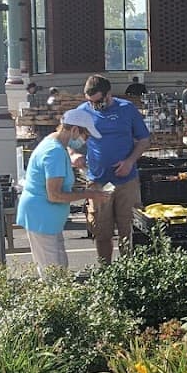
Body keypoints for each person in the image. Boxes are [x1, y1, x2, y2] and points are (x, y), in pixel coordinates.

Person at [16, 109, 107, 278]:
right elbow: (55, 195)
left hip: (46, 218)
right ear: (74, 130)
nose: (85, 141)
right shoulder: (55, 152)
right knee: (53, 274)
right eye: (85, 135)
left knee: (59, 267)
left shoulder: (54, 142)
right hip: (42, 217)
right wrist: (90, 194)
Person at [77, 74, 151, 264]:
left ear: (108, 94)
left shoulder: (126, 109)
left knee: (130, 230)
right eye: (90, 102)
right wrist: (72, 154)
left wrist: (129, 161)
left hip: (127, 182)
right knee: (101, 230)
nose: (94, 105)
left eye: (98, 101)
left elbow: (144, 139)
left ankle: (129, 271)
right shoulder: (82, 112)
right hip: (98, 182)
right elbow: (67, 139)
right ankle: (106, 270)